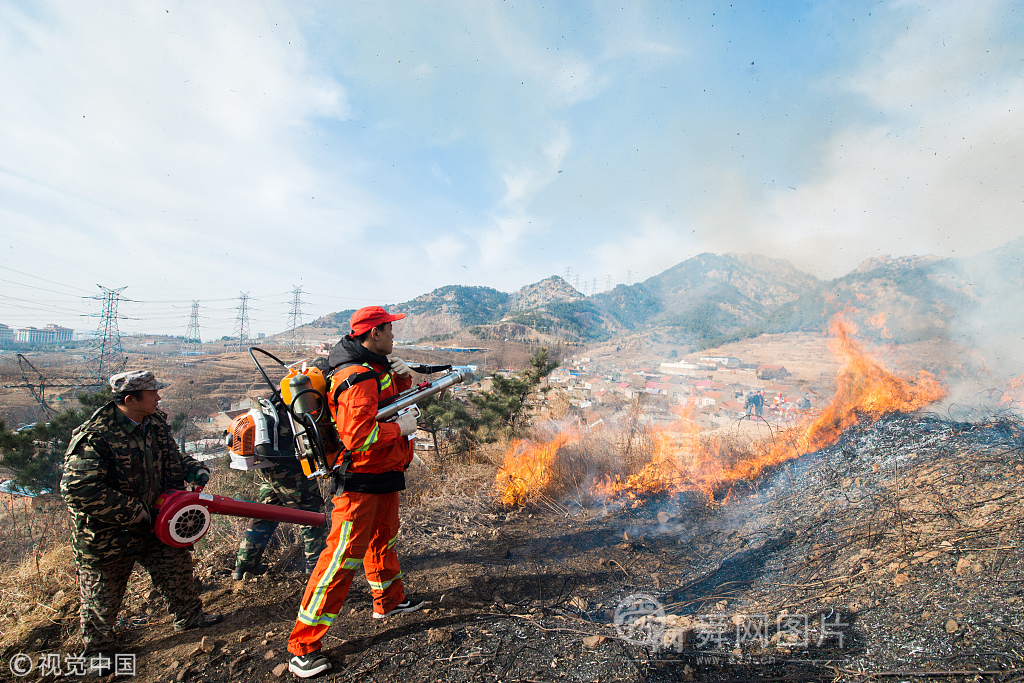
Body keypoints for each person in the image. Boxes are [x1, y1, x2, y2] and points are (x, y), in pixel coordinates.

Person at [286, 306, 424, 679]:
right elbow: (359, 436)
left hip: (384, 476)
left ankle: (388, 602)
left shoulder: (375, 369)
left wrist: (407, 381)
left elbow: (386, 405)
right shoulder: (357, 376)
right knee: (340, 559)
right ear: (374, 333)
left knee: (384, 541)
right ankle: (303, 647)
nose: (394, 336)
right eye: (390, 330)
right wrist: (401, 429)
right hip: (361, 482)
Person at [61, 370, 223, 675]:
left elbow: (172, 458)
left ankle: (188, 617)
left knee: (176, 570)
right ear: (129, 400)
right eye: (152, 393)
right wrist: (135, 511)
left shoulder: (155, 423)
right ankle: (99, 654)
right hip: (108, 534)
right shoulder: (96, 435)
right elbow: (78, 488)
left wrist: (194, 468)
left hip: (157, 522)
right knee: (101, 598)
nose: (159, 397)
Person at [232, 395, 327, 580]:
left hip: (270, 468)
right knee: (312, 516)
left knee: (265, 514)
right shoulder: (304, 399)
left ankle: (244, 567)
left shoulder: (282, 398)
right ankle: (317, 573)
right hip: (289, 471)